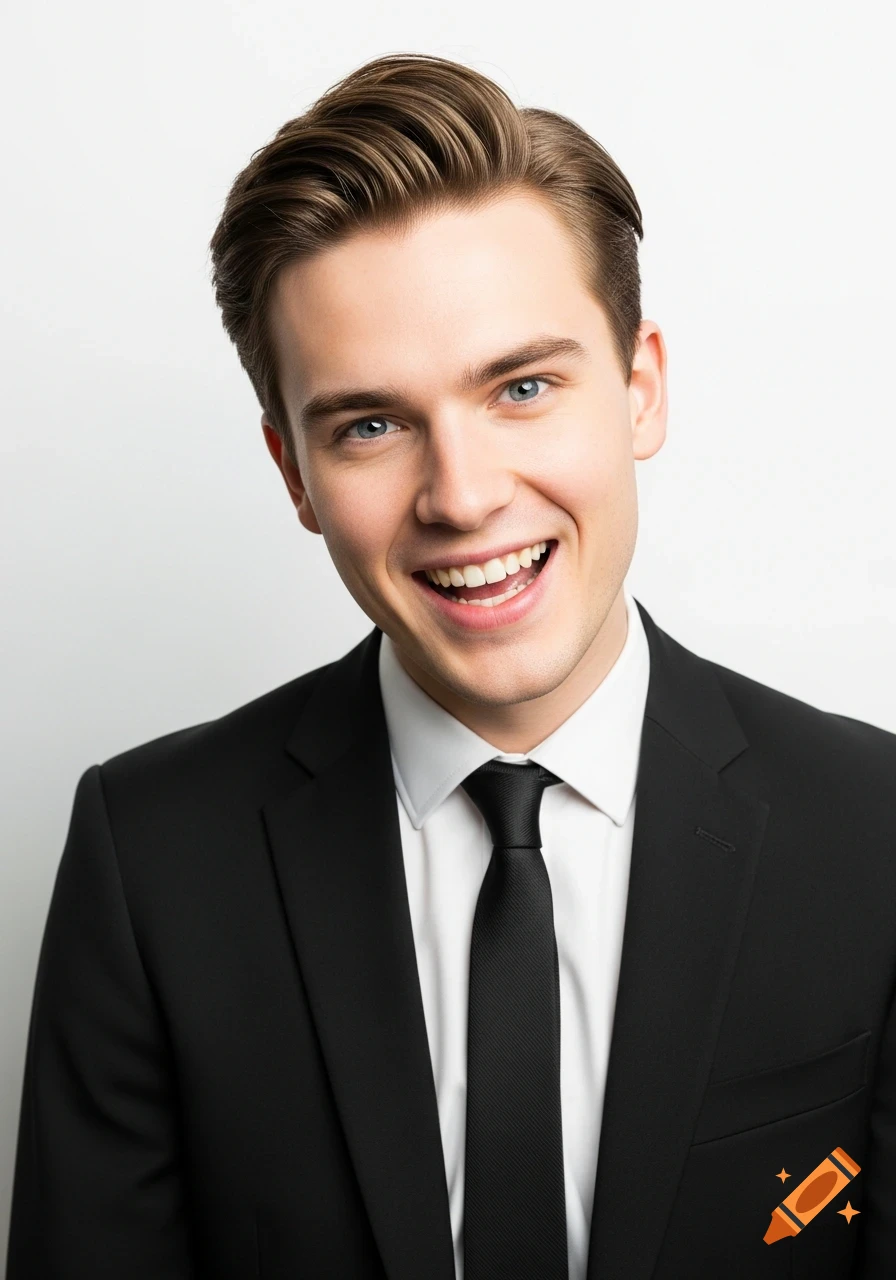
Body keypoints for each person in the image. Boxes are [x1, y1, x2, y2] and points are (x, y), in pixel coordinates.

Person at [6, 51, 896, 1280]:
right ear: (292, 472)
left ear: (639, 388)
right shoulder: (149, 858)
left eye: (522, 386)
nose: (463, 496)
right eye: (370, 424)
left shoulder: (873, 831)